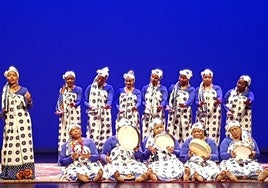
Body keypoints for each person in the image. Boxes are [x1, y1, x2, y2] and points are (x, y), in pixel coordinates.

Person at [0, 66, 35, 180]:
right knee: (10, 144)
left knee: (24, 145)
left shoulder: (24, 90)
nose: (12, 77)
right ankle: (10, 172)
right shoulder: (5, 91)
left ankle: (27, 172)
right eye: (9, 75)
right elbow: (4, 109)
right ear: (7, 77)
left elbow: (29, 106)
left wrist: (29, 100)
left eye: (14, 75)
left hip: (23, 121)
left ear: (17, 77)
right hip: (10, 121)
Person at [84, 67, 114, 152]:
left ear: (105, 79)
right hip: (93, 114)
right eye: (99, 78)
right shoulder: (90, 88)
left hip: (105, 113)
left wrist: (108, 105)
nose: (100, 81)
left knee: (105, 131)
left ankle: (104, 151)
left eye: (102, 79)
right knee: (93, 132)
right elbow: (85, 101)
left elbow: (110, 99)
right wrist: (90, 106)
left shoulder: (109, 88)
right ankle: (92, 151)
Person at [55, 71, 83, 154]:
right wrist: (58, 110)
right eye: (68, 79)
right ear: (65, 80)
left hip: (75, 113)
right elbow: (59, 101)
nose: (70, 80)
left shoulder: (78, 89)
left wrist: (74, 104)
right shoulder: (63, 89)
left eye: (72, 79)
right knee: (64, 132)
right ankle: (63, 154)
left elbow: (79, 101)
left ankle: (76, 153)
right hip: (65, 115)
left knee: (75, 131)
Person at [166, 69, 195, 145]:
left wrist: (185, 104)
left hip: (184, 114)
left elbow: (191, 100)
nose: (181, 79)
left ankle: (185, 149)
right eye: (180, 77)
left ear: (188, 79)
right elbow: (168, 98)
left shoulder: (191, 89)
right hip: (173, 114)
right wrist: (168, 106)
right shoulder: (173, 87)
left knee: (185, 131)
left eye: (184, 78)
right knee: (173, 130)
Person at [195, 69, 222, 145]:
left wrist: (218, 100)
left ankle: (213, 147)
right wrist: (200, 104)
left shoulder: (216, 88)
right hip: (202, 114)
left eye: (209, 77)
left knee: (213, 130)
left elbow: (220, 96)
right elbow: (196, 101)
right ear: (202, 78)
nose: (207, 79)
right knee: (201, 129)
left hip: (214, 113)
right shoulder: (199, 90)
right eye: (205, 77)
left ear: (211, 78)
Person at [141, 69, 168, 141]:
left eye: (155, 78)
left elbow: (164, 100)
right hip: (147, 114)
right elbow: (143, 101)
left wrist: (161, 106)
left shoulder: (163, 89)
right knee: (146, 132)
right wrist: (146, 106)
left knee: (158, 131)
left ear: (159, 79)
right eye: (152, 77)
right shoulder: (145, 88)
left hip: (158, 114)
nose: (153, 79)